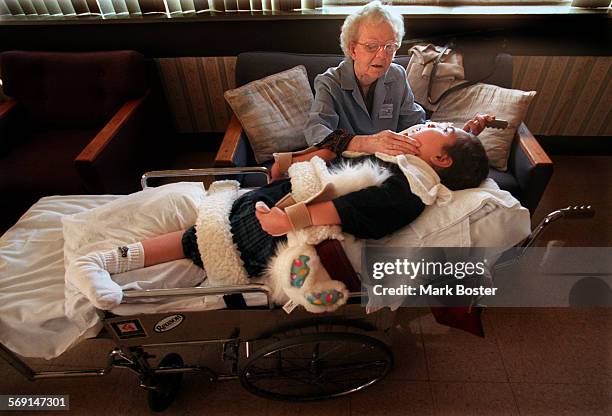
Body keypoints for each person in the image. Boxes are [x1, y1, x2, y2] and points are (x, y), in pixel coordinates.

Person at [67, 124, 489, 311]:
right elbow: (345, 145)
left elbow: (357, 210)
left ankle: (298, 283)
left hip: (293, 215)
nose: (430, 124)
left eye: (442, 128)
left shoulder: (412, 188)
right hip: (286, 192)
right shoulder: (409, 154)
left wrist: (291, 220)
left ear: (440, 158)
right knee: (204, 233)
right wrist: (470, 128)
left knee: (215, 241)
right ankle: (103, 261)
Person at [303, 1, 492, 158]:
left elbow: (415, 124)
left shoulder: (396, 75)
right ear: (353, 49)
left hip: (392, 164)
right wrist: (368, 143)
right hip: (347, 167)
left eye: (390, 46)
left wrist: (460, 134)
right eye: (371, 46)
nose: (382, 56)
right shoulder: (330, 82)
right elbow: (316, 132)